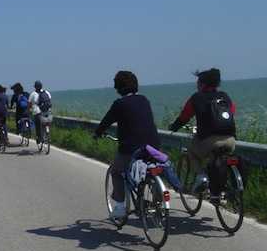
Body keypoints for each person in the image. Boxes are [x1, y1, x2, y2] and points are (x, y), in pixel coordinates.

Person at [93, 71, 161, 219]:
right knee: (152, 169)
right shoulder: (144, 100)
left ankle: (119, 207)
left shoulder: (119, 104)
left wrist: (97, 133)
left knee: (116, 171)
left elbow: (106, 122)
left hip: (131, 149)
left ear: (118, 87)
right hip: (153, 147)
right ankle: (158, 200)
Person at [169, 68, 236, 197]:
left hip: (209, 142)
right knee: (218, 158)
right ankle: (220, 192)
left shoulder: (196, 98)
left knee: (192, 152)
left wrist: (174, 127)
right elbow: (232, 112)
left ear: (202, 84)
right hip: (230, 140)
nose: (197, 85)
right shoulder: (224, 96)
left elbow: (184, 117)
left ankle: (201, 177)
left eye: (198, 83)